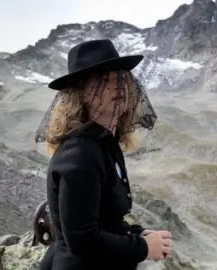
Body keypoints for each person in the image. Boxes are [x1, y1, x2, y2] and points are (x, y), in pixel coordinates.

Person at [34, 39, 171, 270]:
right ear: (81, 92)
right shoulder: (80, 154)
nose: (116, 87)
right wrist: (143, 247)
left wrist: (138, 234)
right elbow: (83, 239)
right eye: (104, 80)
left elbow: (103, 220)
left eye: (120, 79)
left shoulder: (102, 143)